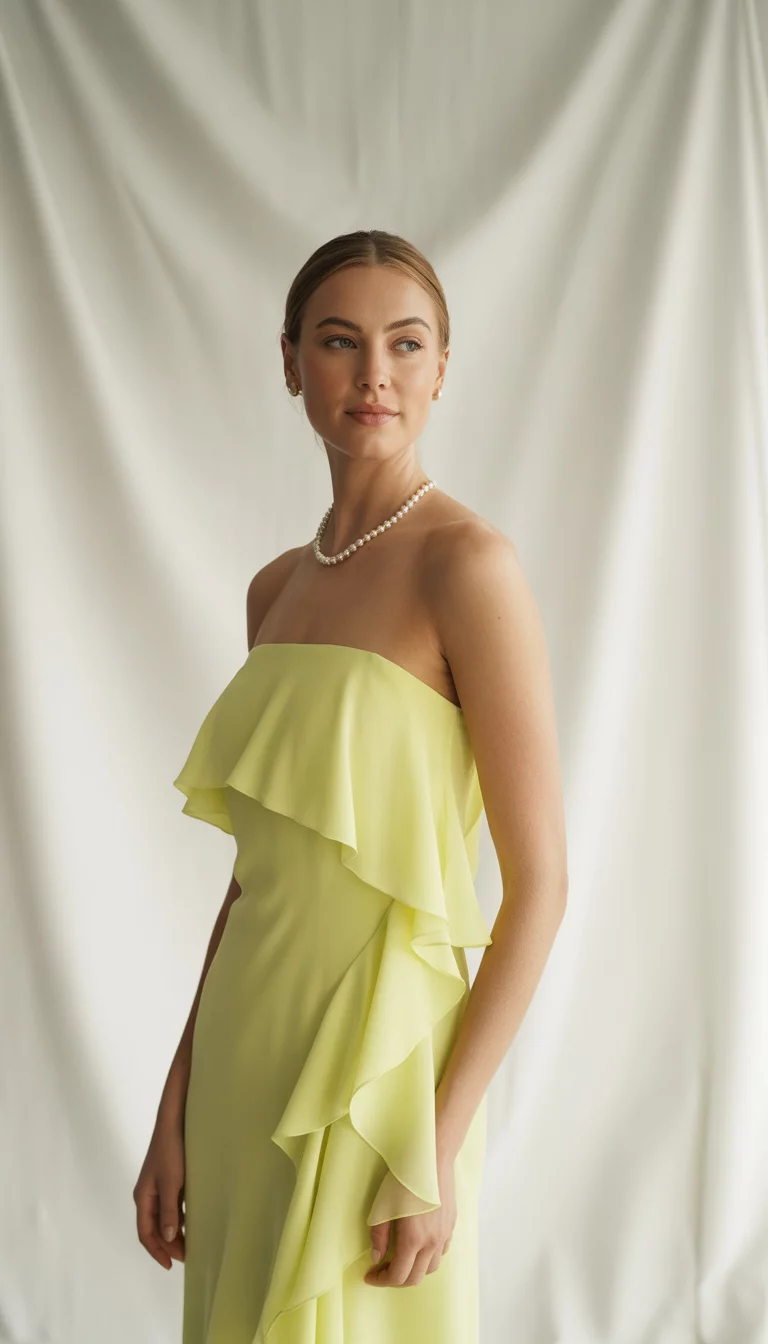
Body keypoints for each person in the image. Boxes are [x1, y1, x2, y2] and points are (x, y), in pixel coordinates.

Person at [133, 228, 569, 1343]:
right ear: (290, 363)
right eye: (339, 342)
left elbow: (541, 889)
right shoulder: (274, 588)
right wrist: (174, 1102)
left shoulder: (468, 566)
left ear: (439, 370)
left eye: (404, 344)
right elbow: (254, 879)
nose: (373, 373)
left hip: (386, 1070)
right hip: (244, 1054)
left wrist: (437, 1134)